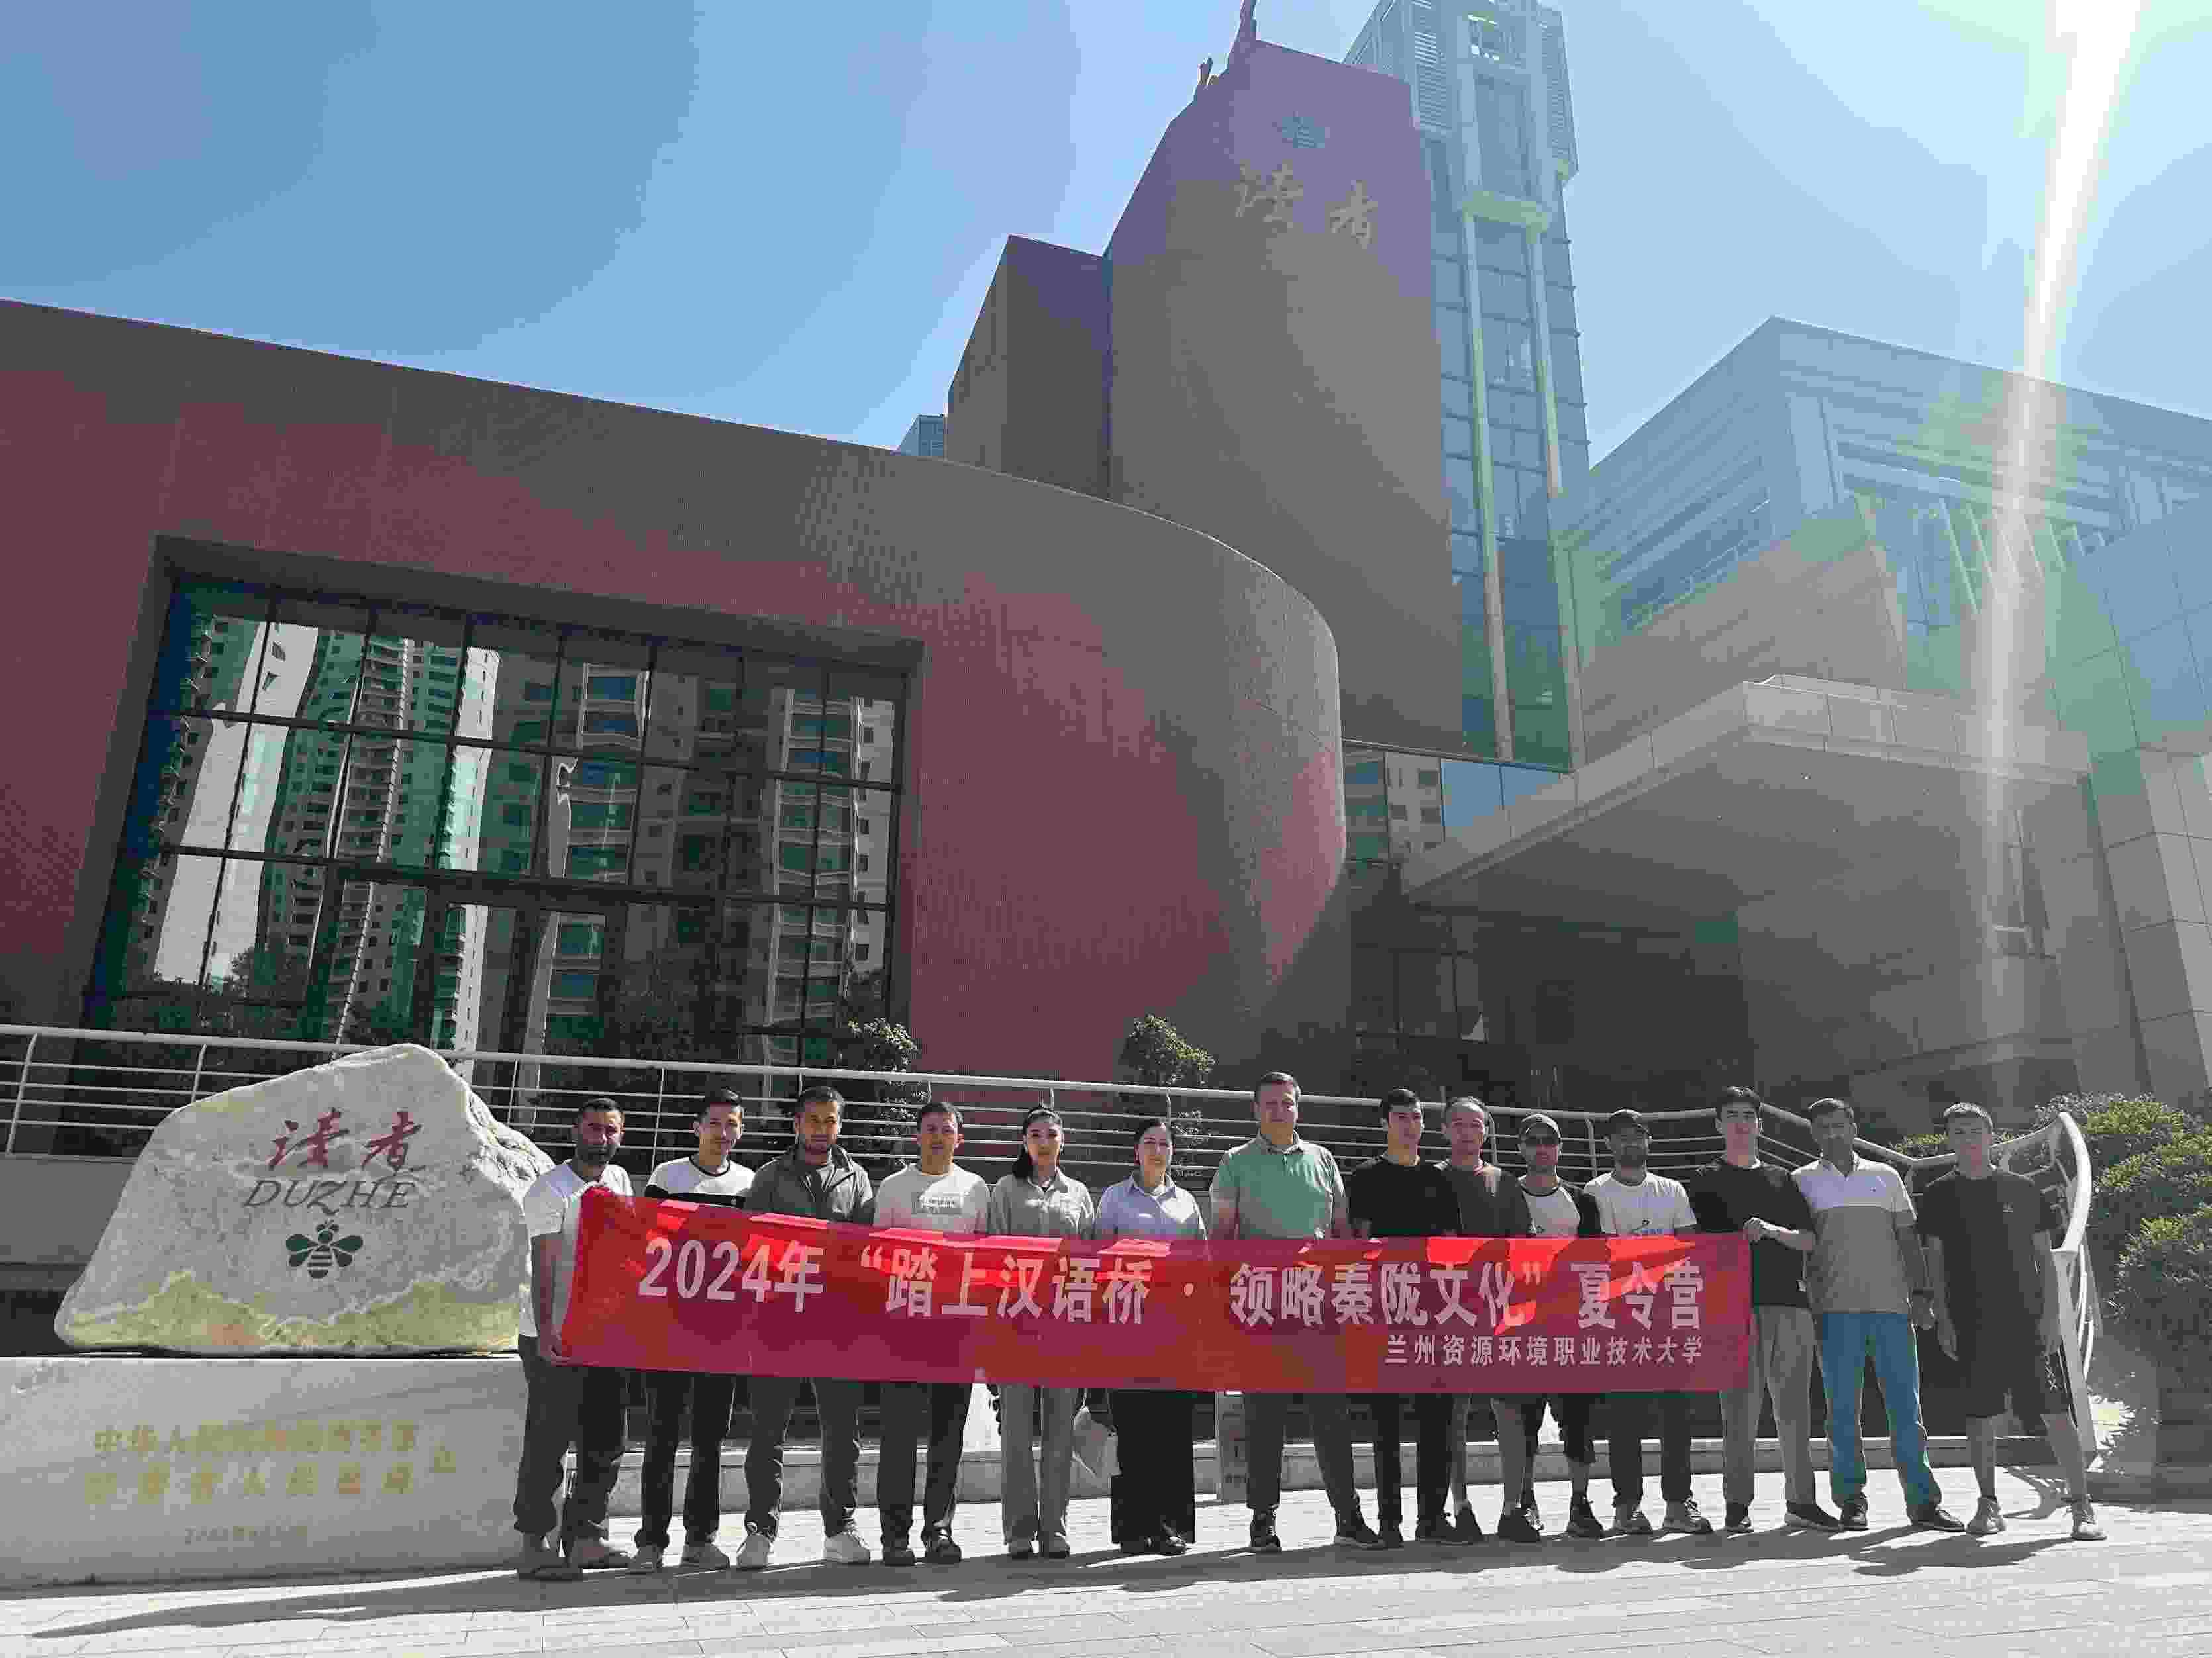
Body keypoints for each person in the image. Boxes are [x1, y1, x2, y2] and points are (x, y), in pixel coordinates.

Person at [1211, 1071, 1382, 1553]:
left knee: (1332, 1415)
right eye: (1270, 1103)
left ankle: (1348, 1517)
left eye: (1287, 1102)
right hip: (1263, 1308)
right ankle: (1262, 1519)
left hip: (1319, 1305)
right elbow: (1221, 1239)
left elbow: (1341, 1232)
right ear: (1255, 1110)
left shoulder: (1323, 1160)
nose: (1279, 1110)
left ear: (1298, 1107)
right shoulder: (1234, 1163)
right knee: (1265, 1418)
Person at [1917, 1102, 2104, 1542]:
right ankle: (1989, 1504)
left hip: (2027, 1321)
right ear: (1950, 1140)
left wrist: (2051, 1317)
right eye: (1959, 1131)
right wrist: (1944, 1319)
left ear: (1990, 1135)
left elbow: (2045, 1258)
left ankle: (2081, 1505)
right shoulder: (1939, 1194)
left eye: (1975, 1130)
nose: (1968, 1138)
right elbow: (1935, 1263)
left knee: (2055, 1412)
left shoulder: (2022, 1189)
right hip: (1971, 1323)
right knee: (1980, 1417)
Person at [1789, 1096, 1963, 1532]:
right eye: (1823, 1127)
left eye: (1839, 1125)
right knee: (1841, 1413)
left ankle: (1923, 1502)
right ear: (1814, 1134)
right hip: (1833, 1312)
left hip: (1892, 1309)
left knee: (1906, 1409)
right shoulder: (1800, 1181)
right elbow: (1799, 1248)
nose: (1833, 1134)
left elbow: (1909, 1241)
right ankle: (1851, 1500)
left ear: (1854, 1128)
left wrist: (1921, 1294)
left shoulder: (1886, 1176)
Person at [1685, 1086, 1838, 1536]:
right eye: (1732, 1115)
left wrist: (1771, 1230)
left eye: (1748, 1115)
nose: (1741, 1123)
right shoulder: (1704, 1179)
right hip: (1732, 1308)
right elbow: (1693, 1245)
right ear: (1719, 1124)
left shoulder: (1781, 1179)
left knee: (1795, 1411)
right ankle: (1737, 1504)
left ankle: (1802, 1501)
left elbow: (1808, 1240)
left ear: (1760, 1124)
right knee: (1738, 1412)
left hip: (1789, 1303)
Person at [736, 1084, 877, 1569]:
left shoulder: (857, 1178)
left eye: (830, 1120)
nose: (822, 1129)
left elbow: (865, 1248)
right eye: (813, 1120)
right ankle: (760, 1531)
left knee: (842, 1431)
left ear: (840, 1125)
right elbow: (750, 1243)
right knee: (768, 1430)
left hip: (836, 1321)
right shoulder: (769, 1177)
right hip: (778, 1318)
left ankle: (840, 1529)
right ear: (796, 1124)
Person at [631, 1088, 754, 1573]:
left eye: (733, 1124)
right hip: (668, 1325)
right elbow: (642, 1241)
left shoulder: (749, 1182)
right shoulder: (667, 1177)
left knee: (710, 1438)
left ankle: (700, 1540)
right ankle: (651, 1542)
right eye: (715, 1123)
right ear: (696, 1127)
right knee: (662, 1435)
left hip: (722, 1329)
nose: (724, 1133)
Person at [513, 1098, 636, 1579]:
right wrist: (548, 1332)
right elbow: (542, 1268)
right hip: (555, 1334)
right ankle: (535, 1544)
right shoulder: (550, 1190)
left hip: (604, 1333)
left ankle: (587, 1539)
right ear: (575, 1131)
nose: (601, 1138)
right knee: (548, 1441)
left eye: (610, 1130)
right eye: (593, 1128)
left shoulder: (620, 1180)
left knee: (606, 1439)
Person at [871, 1101, 991, 1565]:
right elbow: (877, 1258)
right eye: (931, 1129)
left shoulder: (975, 1188)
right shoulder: (893, 1188)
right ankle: (895, 1535)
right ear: (917, 1136)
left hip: (955, 1331)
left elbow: (987, 1259)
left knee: (948, 1438)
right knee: (899, 1437)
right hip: (903, 1330)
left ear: (959, 1139)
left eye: (947, 1130)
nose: (939, 1137)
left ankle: (939, 1530)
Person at [1586, 1108, 1713, 1537]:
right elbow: (1605, 1254)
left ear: (1649, 1142)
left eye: (1638, 1135)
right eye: (1622, 1136)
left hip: (1670, 1316)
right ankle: (1627, 1507)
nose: (1631, 1142)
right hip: (1622, 1317)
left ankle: (1678, 1504)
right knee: (1625, 1416)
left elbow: (1690, 1248)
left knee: (1677, 1414)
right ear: (1608, 1144)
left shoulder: (1672, 1190)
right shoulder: (1596, 1191)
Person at [1345, 1090, 1462, 1547]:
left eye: (1416, 1117)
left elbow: (1452, 1244)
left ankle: (1432, 1518)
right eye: (1400, 1117)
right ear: (1384, 1123)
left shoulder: (1438, 1178)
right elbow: (1359, 1244)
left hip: (1433, 1311)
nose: (1410, 1124)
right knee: (1385, 1422)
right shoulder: (1366, 1177)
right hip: (1383, 1310)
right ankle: (1389, 1521)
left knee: (1437, 1419)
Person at [985, 1104, 1097, 1559]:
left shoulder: (1079, 1193)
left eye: (1052, 1133)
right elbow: (992, 1255)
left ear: (1063, 1140)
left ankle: (1055, 1527)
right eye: (1036, 1134)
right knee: (1015, 1430)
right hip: (1017, 1323)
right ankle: (1018, 1530)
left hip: (1065, 1325)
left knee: (1059, 1431)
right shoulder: (1005, 1190)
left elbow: (1090, 1261)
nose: (1044, 1141)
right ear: (1024, 1142)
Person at [1094, 1116, 1208, 1556]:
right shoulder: (1114, 1198)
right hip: (1127, 1326)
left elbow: (1201, 1260)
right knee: (1132, 1429)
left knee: (1171, 1430)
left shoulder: (1186, 1203)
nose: (1158, 1150)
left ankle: (1168, 1525)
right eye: (1149, 1143)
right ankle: (1131, 1527)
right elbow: (1098, 1256)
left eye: (1164, 1144)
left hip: (1174, 1328)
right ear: (1136, 1151)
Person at [1433, 1097, 1539, 1543]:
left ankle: (1514, 1508)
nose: (1467, 1132)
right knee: (1453, 1412)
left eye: (1475, 1124)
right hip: (1447, 1307)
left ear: (1487, 1132)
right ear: (1444, 1130)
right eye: (1458, 1124)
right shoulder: (1431, 1179)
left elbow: (1524, 1245)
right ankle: (1460, 1506)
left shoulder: (1504, 1182)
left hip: (1499, 1309)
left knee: (1508, 1409)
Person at [1508, 1112, 1606, 1539]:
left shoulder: (1582, 1201)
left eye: (1549, 1140)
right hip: (1520, 1325)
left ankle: (1580, 1503)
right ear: (1520, 1148)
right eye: (1533, 1141)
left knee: (1579, 1419)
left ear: (1561, 1148)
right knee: (1525, 1419)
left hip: (1572, 1324)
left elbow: (1600, 1261)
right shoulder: (1506, 1194)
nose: (1542, 1147)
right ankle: (1524, 1500)